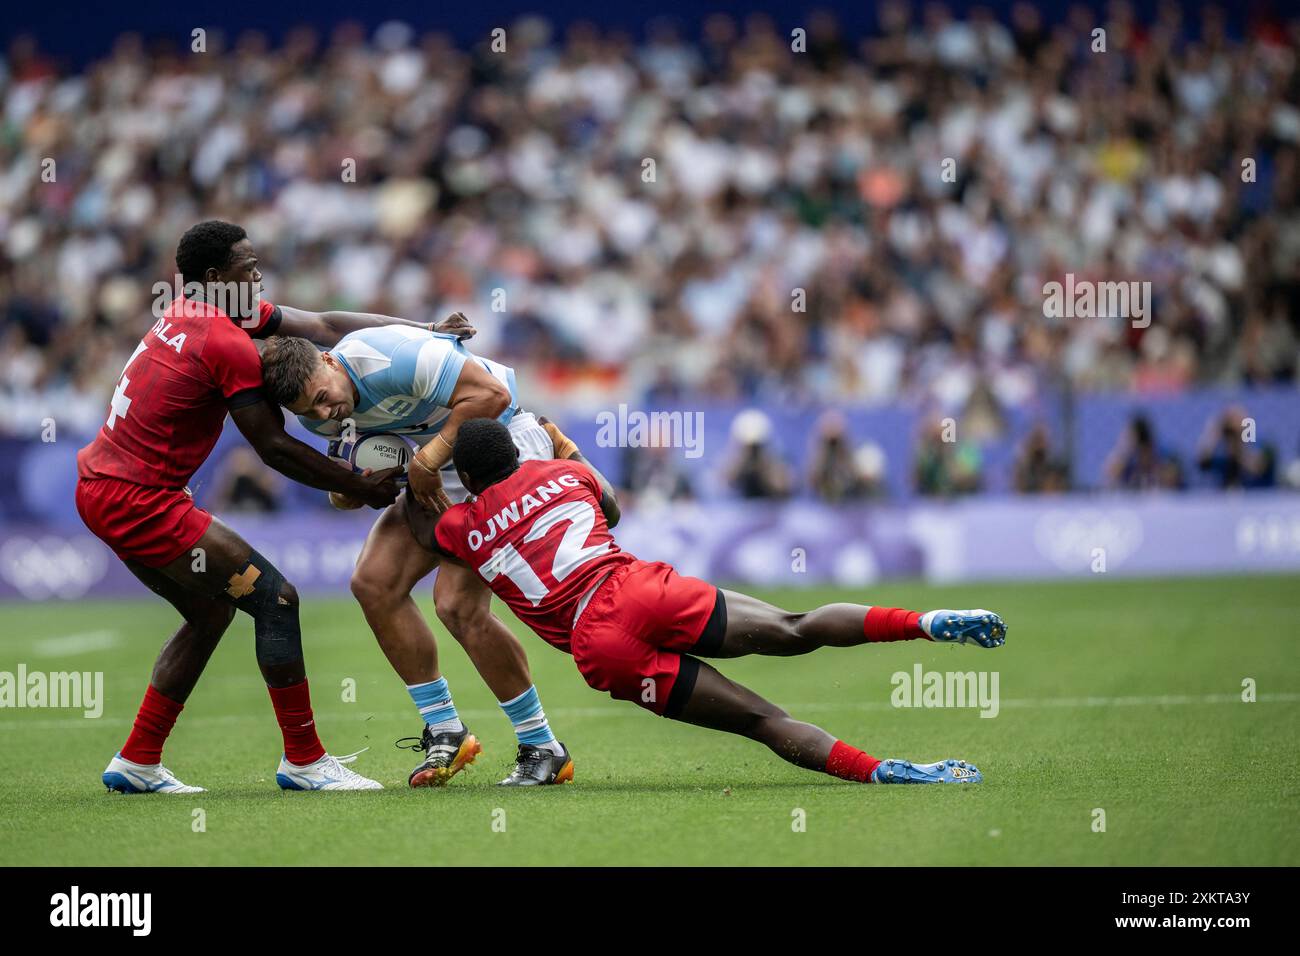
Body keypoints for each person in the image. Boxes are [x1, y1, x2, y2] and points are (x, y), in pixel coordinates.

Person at [77, 220, 469, 794]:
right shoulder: (225, 340)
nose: (257, 272)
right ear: (216, 277)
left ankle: (137, 760)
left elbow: (329, 325)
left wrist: (425, 329)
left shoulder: (197, 312)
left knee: (211, 612)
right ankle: (305, 762)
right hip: (140, 500)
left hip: (103, 486)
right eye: (246, 264)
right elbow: (274, 446)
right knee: (277, 599)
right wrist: (359, 486)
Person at [419, 418, 1008, 786]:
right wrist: (565, 449)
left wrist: (419, 470)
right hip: (641, 589)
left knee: (760, 720)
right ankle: (926, 622)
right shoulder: (560, 475)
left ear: (465, 478)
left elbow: (425, 513)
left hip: (600, 645)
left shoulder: (460, 527)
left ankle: (880, 771)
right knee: (796, 626)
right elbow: (613, 507)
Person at [261, 331, 611, 786]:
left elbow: (493, 394)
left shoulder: (392, 359)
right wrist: (352, 489)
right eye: (308, 411)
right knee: (373, 582)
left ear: (330, 361)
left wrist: (425, 462)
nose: (323, 414)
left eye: (323, 399)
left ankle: (541, 744)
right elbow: (354, 469)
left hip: (496, 449)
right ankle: (446, 730)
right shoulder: (319, 413)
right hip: (433, 469)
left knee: (457, 605)